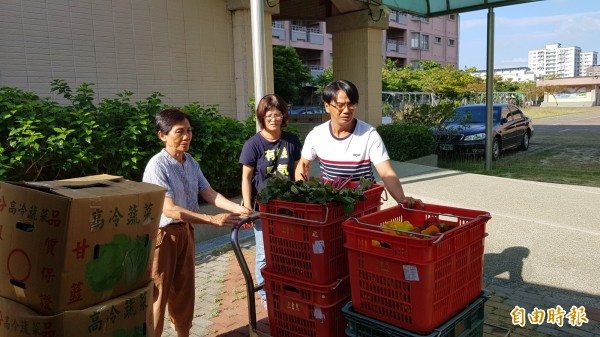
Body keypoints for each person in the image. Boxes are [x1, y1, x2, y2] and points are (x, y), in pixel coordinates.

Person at [143, 108, 252, 337]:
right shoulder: (157, 166)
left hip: (186, 233)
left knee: (184, 293)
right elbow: (170, 210)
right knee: (158, 296)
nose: (187, 136)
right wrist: (212, 219)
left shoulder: (190, 161)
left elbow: (209, 194)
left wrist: (241, 210)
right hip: (163, 237)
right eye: (179, 132)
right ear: (162, 135)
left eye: (189, 131)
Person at [295, 79, 422, 207]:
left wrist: (402, 199)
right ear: (327, 106)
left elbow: (386, 172)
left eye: (351, 104)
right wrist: (303, 195)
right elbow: (303, 166)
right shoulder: (317, 135)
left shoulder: (369, 135)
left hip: (364, 204)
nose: (346, 110)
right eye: (340, 105)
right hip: (330, 203)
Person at [239, 94, 302, 309]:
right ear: (261, 117)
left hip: (290, 206)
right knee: (264, 254)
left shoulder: (292, 140)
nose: (273, 119)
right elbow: (246, 177)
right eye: (268, 115)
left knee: (289, 250)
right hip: (263, 209)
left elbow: (299, 170)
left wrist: (304, 196)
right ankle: (267, 296)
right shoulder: (253, 144)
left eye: (277, 114)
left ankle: (286, 290)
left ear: (284, 116)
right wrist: (247, 206)